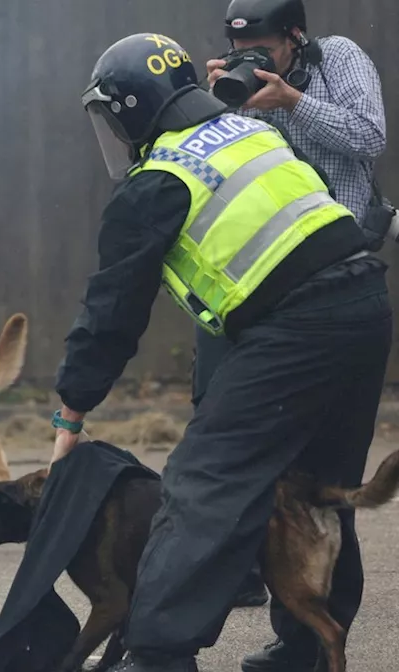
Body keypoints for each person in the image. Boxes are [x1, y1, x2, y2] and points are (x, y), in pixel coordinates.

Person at [49, 32, 391, 672]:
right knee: (318, 490)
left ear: (125, 110)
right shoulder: (252, 134)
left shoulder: (156, 182)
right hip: (365, 306)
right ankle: (309, 650)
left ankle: (158, 655)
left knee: (203, 484)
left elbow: (112, 311)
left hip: (297, 326)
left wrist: (73, 407)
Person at [197, 0, 389, 619]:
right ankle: (278, 611)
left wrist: (294, 104)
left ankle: (317, 636)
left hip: (345, 285)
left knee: (327, 477)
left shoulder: (339, 61)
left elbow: (370, 136)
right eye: (243, 47)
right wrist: (212, 109)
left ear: (296, 39)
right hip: (273, 298)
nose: (256, 60)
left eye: (267, 48)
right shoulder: (238, 89)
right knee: (263, 467)